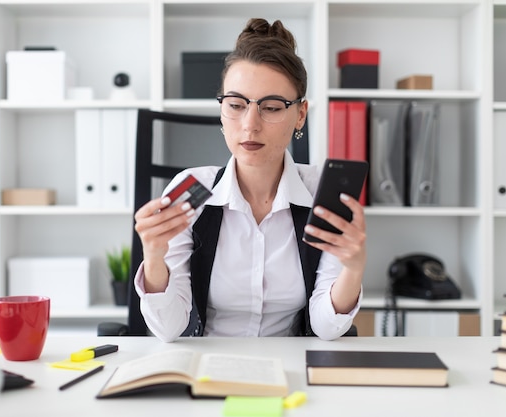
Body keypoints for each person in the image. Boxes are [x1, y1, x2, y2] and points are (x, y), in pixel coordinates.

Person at [132, 18, 366, 343]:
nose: (250, 125)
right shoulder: (194, 190)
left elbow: (327, 328)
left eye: (271, 107)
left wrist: (353, 268)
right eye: (236, 105)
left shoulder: (321, 194)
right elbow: (168, 328)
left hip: (291, 366)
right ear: (222, 111)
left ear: (300, 114)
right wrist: (154, 257)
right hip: (207, 365)